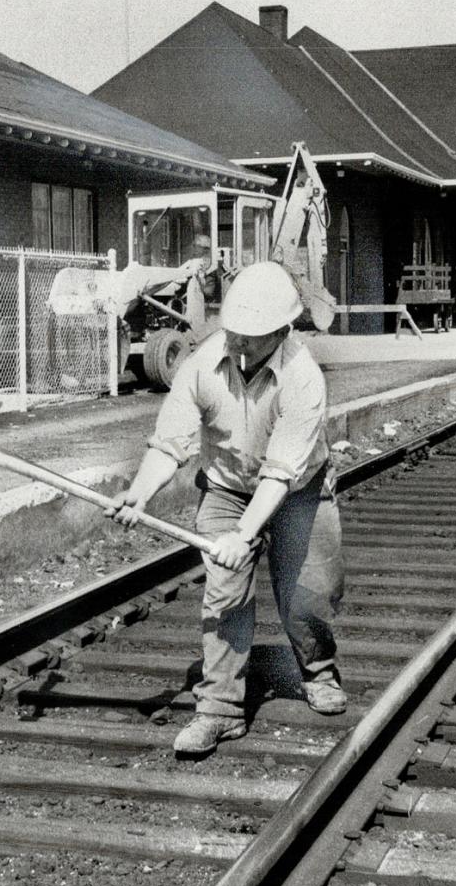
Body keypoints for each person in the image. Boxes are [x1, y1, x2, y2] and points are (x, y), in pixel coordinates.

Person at [112, 262, 345, 756]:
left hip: (297, 490)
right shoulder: (201, 364)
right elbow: (169, 444)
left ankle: (319, 671)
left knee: (307, 597)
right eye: (234, 331)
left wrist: (246, 535)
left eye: (252, 337)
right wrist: (141, 491)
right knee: (224, 595)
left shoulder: (303, 378)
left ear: (282, 331)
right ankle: (220, 710)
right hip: (225, 488)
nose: (238, 344)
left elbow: (281, 473)